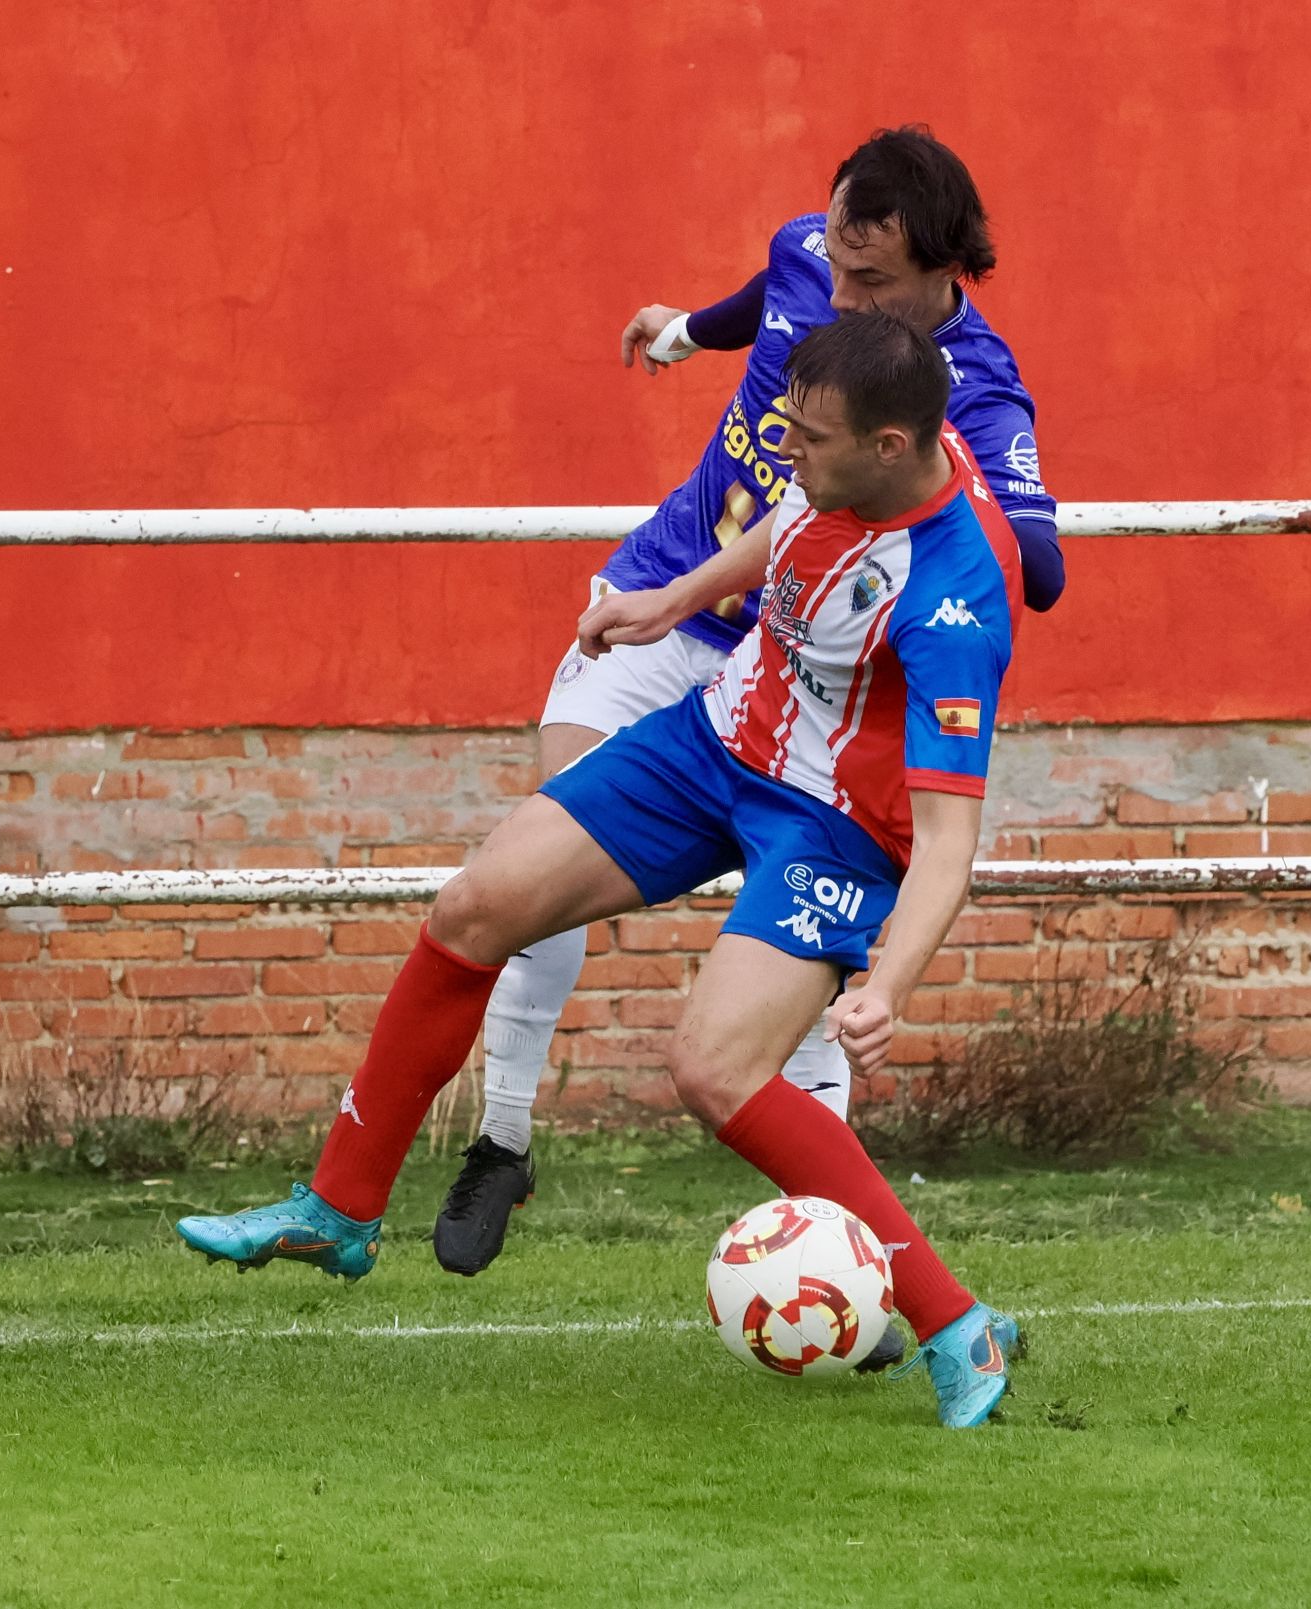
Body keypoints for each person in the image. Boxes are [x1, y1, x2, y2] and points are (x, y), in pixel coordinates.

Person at [179, 311, 1027, 1429]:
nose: (791, 453)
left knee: (715, 1070)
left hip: (832, 827)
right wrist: (668, 602)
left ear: (888, 446)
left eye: (814, 440)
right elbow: (784, 525)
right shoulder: (844, 470)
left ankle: (956, 1324)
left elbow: (950, 838)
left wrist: (890, 984)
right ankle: (338, 1209)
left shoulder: (957, 600)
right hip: (715, 741)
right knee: (474, 908)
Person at [438, 125, 1063, 1285]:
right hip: (674, 596)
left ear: (944, 274)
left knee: (802, 959)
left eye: (867, 281)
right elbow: (756, 295)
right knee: (540, 852)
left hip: (808, 677)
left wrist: (994, 538)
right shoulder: (812, 255)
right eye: (831, 259)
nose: (836, 291)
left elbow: (1036, 562)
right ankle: (503, 1137)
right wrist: (683, 332)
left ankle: (850, 1250)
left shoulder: (978, 394)